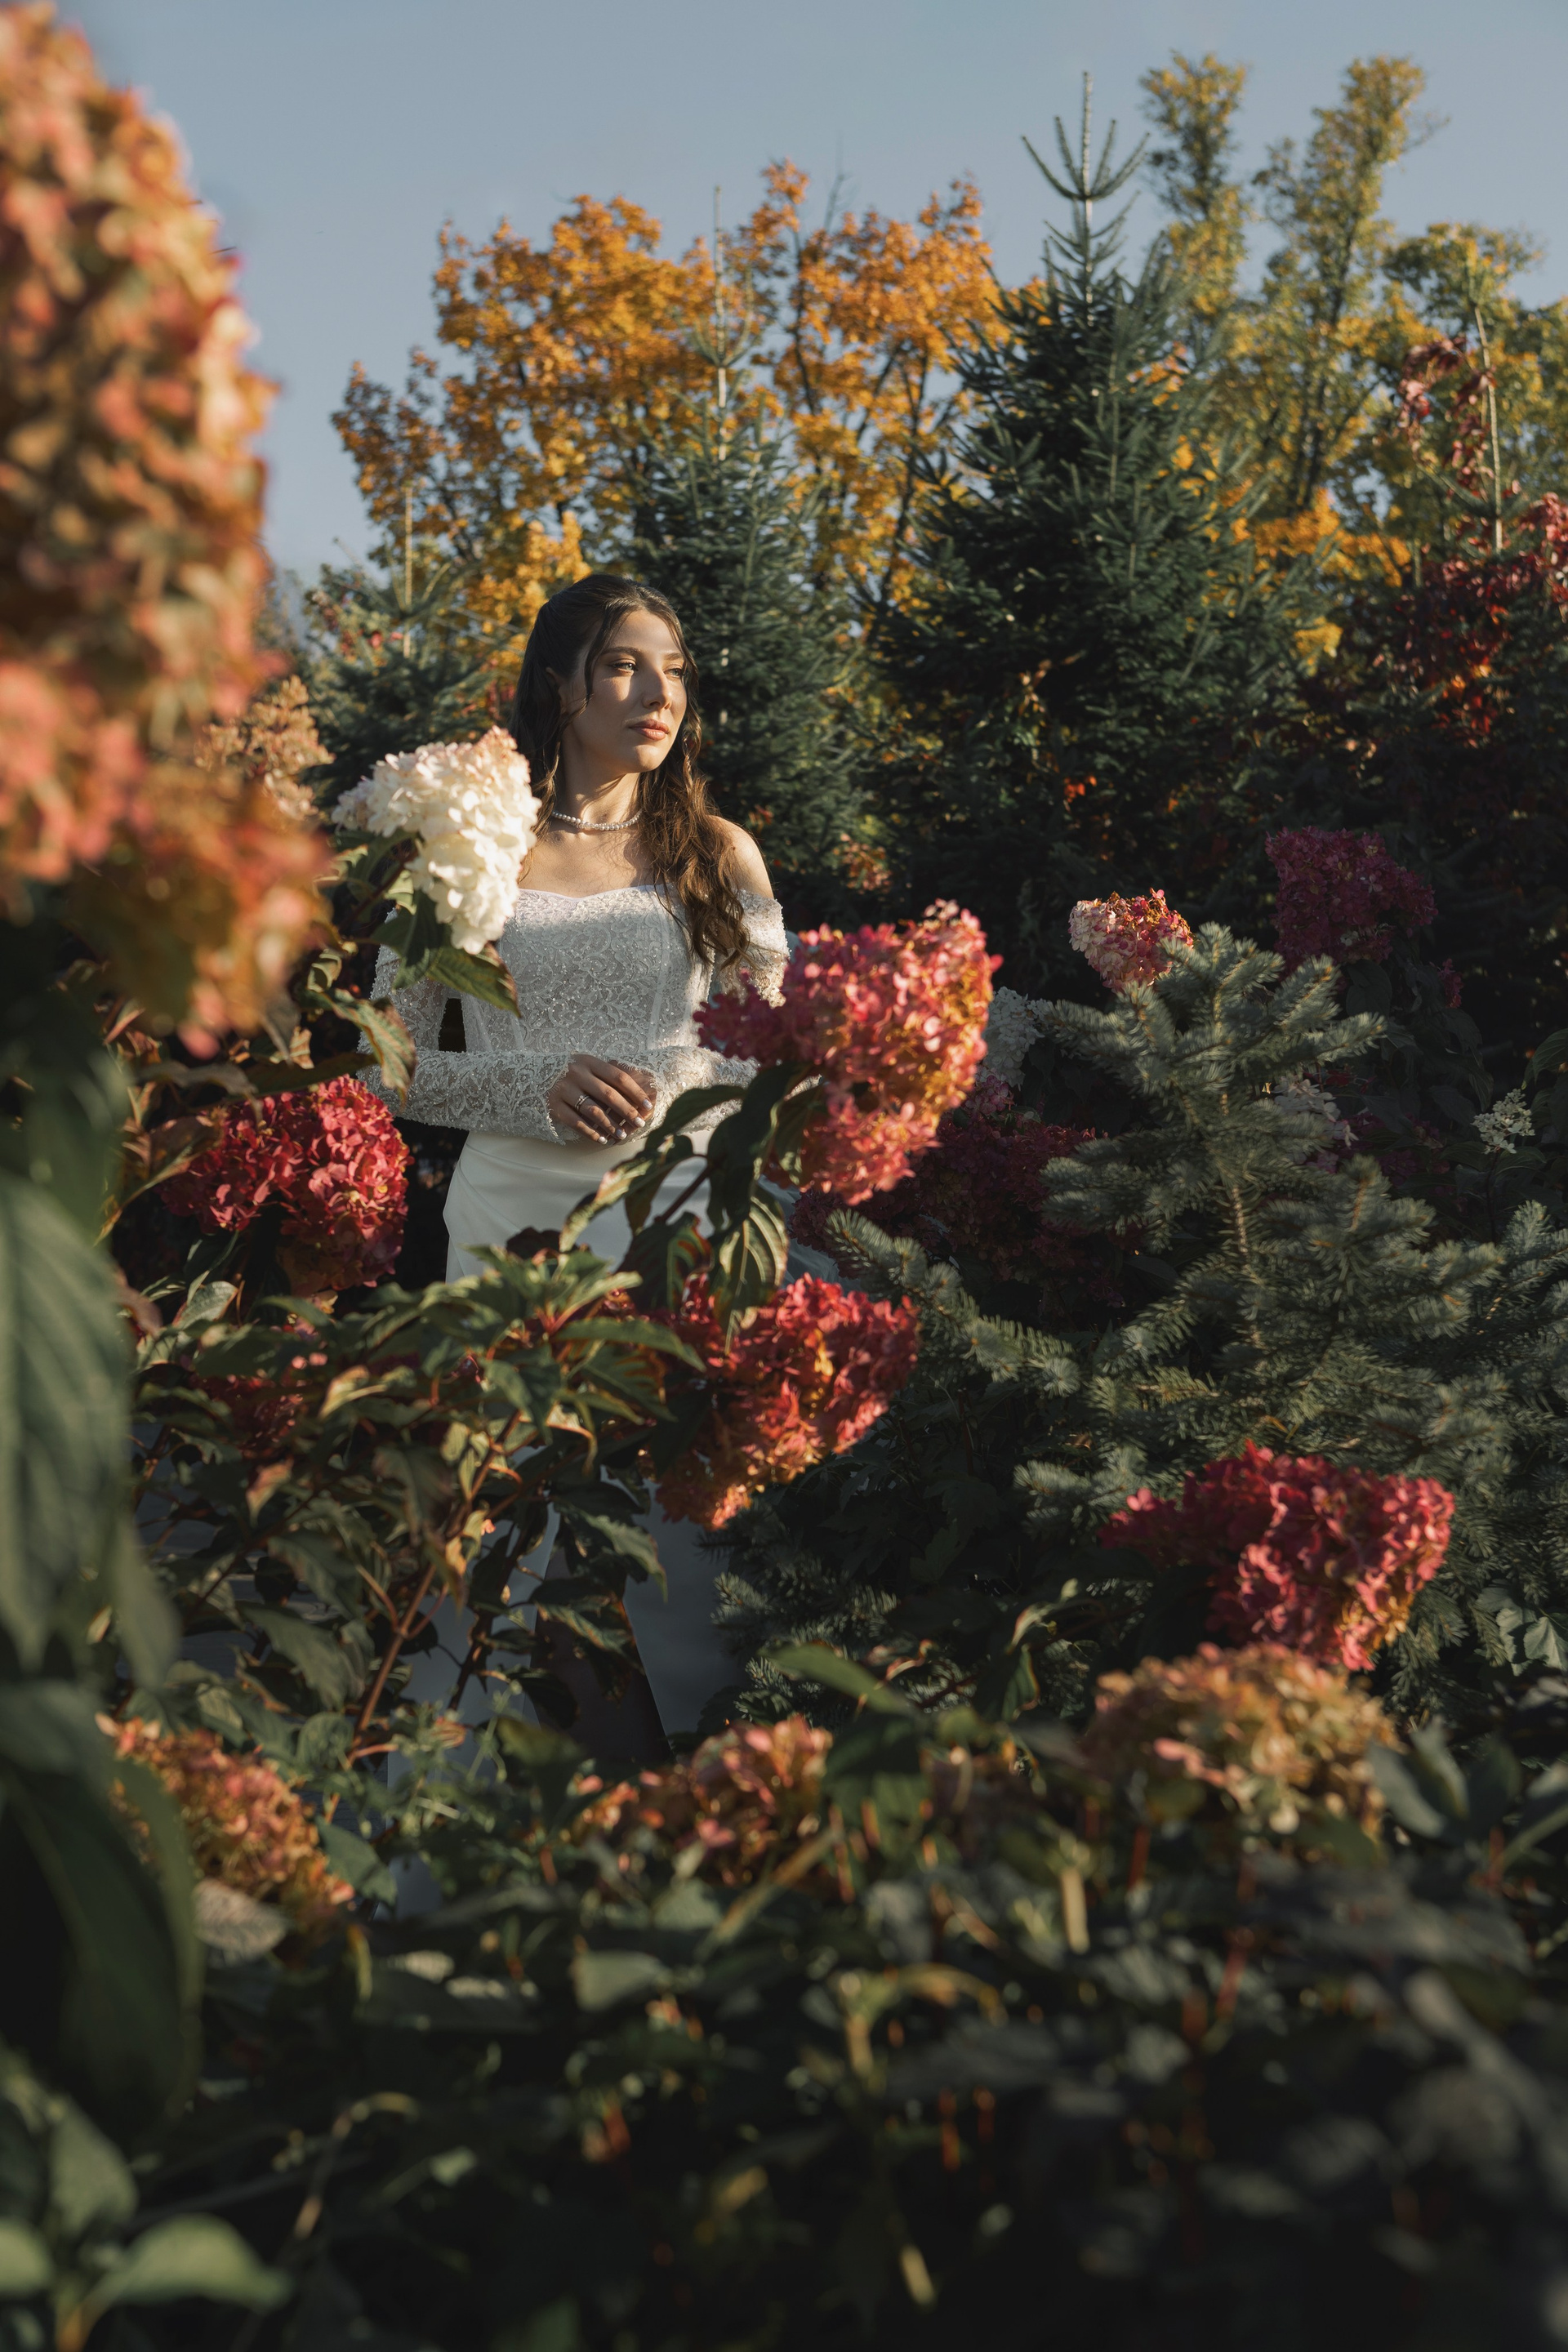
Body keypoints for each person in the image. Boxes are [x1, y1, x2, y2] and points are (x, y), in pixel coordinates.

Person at [368, 572, 787, 1754]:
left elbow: (775, 1053)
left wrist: (675, 1085)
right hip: (511, 1224)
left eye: (675, 671)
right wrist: (533, 1084)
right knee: (519, 1521)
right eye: (622, 666)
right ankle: (523, 1790)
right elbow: (386, 1060)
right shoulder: (467, 850)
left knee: (671, 1521)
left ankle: (697, 1779)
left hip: (677, 1211)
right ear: (560, 686)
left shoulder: (720, 852)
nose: (659, 695)